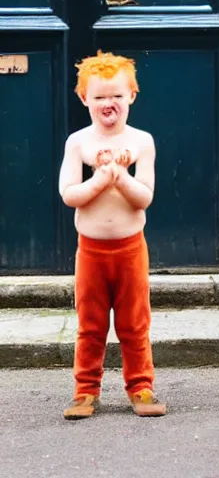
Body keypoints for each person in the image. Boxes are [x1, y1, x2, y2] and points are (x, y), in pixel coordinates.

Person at [58, 51, 166, 419]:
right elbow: (69, 194)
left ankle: (142, 387)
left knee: (135, 322)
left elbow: (144, 198)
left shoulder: (142, 141)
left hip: (130, 250)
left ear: (132, 96)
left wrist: (120, 175)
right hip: (90, 252)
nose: (109, 103)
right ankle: (85, 391)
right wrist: (100, 178)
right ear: (84, 98)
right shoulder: (78, 143)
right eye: (100, 96)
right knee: (90, 324)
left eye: (117, 96)